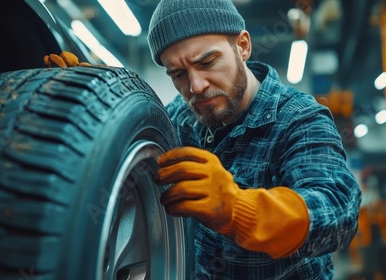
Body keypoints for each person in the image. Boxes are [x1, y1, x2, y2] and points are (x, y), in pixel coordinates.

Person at [45, 0, 361, 278]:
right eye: (178, 74)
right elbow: (128, 150)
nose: (195, 86)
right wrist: (94, 101)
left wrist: (238, 209)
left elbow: (337, 213)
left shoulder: (299, 118)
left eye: (206, 62)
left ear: (243, 46)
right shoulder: (180, 119)